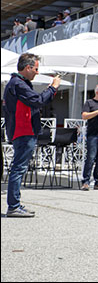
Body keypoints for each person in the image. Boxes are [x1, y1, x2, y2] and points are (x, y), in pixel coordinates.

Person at [3, 53, 60, 217]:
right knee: (18, 168)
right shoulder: (18, 84)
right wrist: (53, 87)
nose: (37, 72)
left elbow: (36, 100)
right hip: (23, 131)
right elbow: (38, 101)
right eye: (36, 68)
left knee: (18, 168)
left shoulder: (17, 83)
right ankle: (13, 206)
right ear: (27, 67)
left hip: (22, 131)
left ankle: (15, 204)